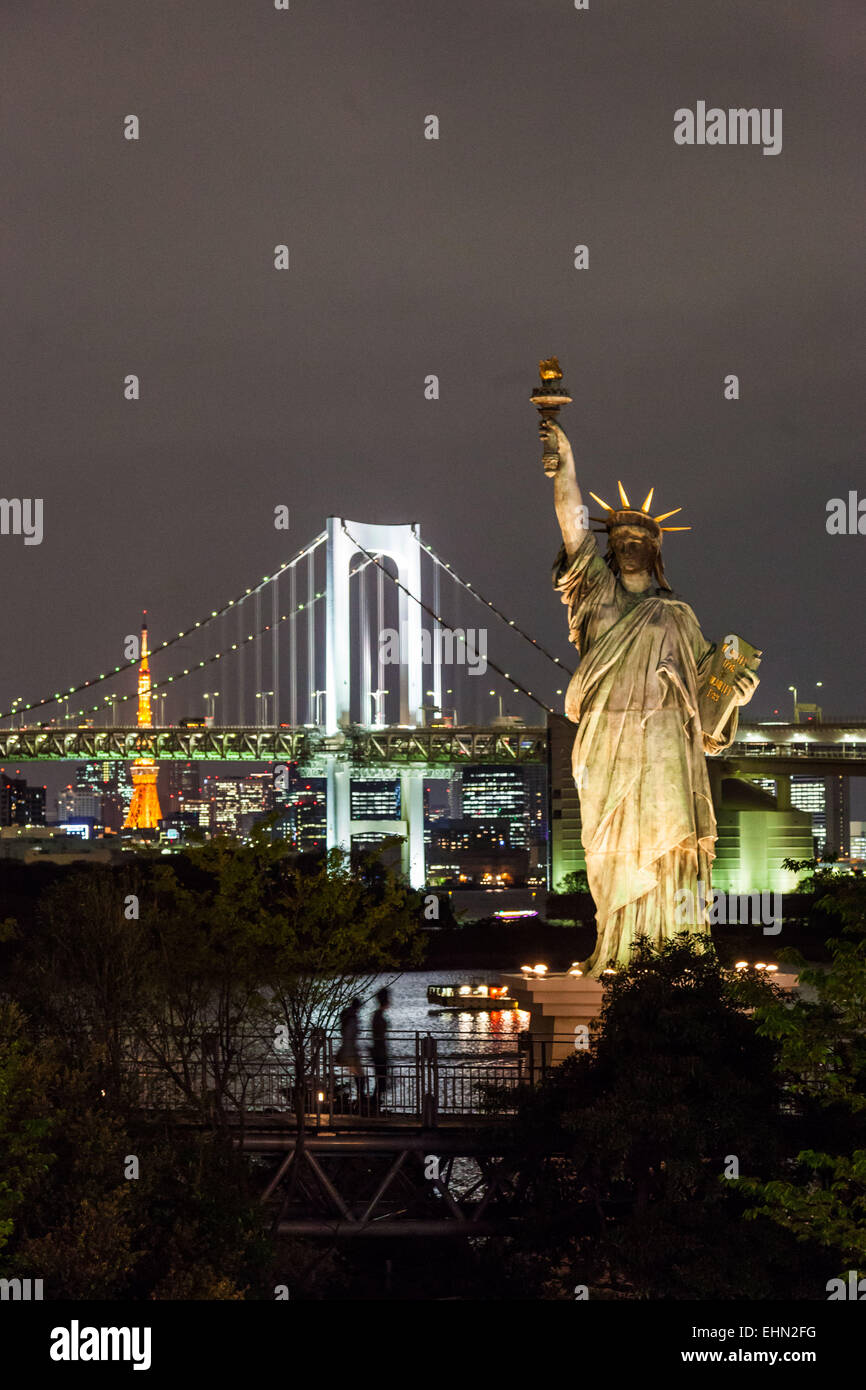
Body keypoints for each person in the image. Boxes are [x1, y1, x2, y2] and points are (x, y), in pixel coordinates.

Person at [540, 416, 759, 976]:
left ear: (656, 549)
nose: (631, 545)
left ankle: (675, 949)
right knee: (609, 846)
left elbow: (704, 711)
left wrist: (736, 694)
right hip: (607, 741)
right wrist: (563, 463)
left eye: (642, 539)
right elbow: (571, 525)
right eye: (621, 538)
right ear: (609, 546)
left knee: (670, 845)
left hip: (665, 746)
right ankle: (616, 945)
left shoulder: (678, 615)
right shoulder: (594, 594)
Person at [335, 997, 366, 1110]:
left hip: (349, 1050)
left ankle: (360, 1098)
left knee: (359, 1076)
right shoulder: (352, 1019)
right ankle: (360, 1099)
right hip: (350, 1052)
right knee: (360, 1076)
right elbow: (351, 1035)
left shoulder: (348, 1017)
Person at [370, 987, 391, 1113]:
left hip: (380, 1051)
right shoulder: (378, 1016)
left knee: (381, 1080)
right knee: (381, 1080)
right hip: (379, 1052)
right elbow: (378, 1036)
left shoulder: (378, 1015)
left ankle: (375, 1104)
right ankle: (374, 1104)